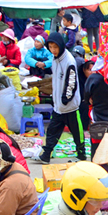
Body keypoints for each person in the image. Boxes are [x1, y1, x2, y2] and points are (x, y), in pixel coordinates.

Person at [31, 32, 85, 164]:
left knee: (77, 133)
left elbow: (71, 82)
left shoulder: (69, 61)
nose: (53, 50)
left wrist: (65, 99)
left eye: (55, 47)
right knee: (52, 131)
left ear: (61, 46)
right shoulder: (55, 59)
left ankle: (82, 155)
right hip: (58, 106)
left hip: (70, 106)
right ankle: (46, 155)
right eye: (50, 47)